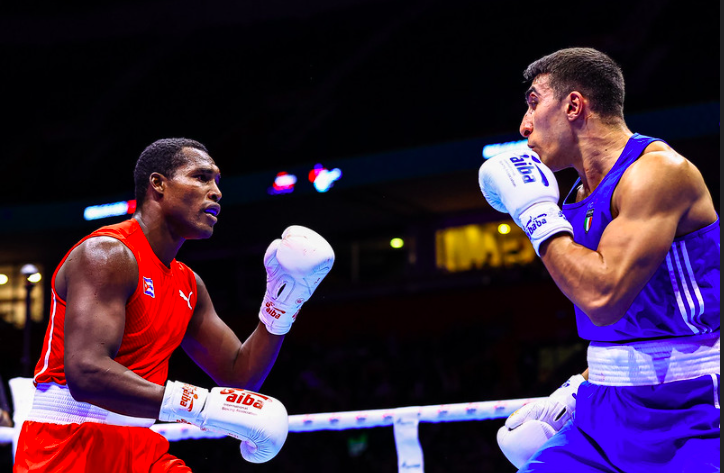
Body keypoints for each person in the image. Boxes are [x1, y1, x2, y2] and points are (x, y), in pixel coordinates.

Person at [13, 138, 335, 472]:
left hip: (140, 443)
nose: (216, 191)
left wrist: (281, 304)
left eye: (217, 181)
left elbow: (238, 377)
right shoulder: (107, 254)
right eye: (201, 177)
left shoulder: (188, 284)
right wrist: (198, 404)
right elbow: (86, 373)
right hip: (67, 443)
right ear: (158, 184)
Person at [479, 48, 719, 472]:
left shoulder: (658, 173)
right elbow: (626, 326)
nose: (524, 125)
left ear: (574, 105)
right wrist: (577, 388)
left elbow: (604, 297)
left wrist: (536, 216)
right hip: (604, 408)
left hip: (693, 411)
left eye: (534, 102)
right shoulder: (573, 198)